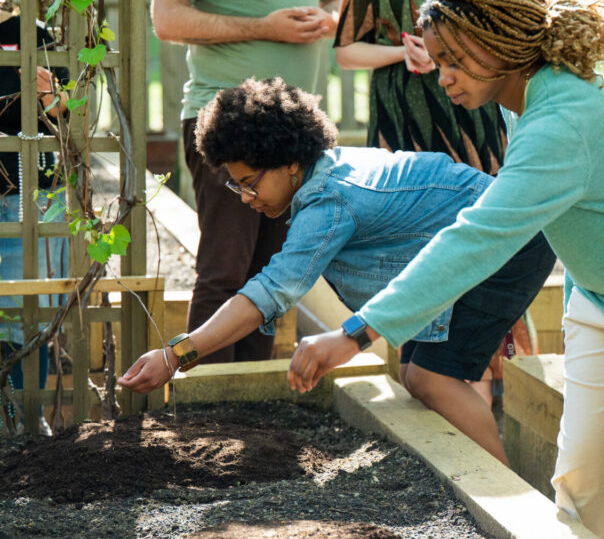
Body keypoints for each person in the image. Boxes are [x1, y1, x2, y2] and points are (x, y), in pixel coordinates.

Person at [293, 0, 604, 539]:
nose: (445, 78)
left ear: (502, 43)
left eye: (457, 61)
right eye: (440, 62)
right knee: (583, 485)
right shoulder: (531, 95)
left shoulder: (563, 117)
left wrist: (357, 330)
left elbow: (479, 236)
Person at [119, 77, 556, 465]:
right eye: (237, 185)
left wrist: (175, 355)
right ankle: (469, 473)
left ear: (290, 161)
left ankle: (505, 492)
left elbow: (270, 291)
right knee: (412, 373)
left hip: (508, 244)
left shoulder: (328, 200)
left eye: (250, 182)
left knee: (432, 378)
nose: (245, 197)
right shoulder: (324, 172)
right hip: (484, 244)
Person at [333, 0, 532, 401]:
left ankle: (493, 379)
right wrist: (402, 51)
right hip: (403, 126)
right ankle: (419, 380)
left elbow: (528, 29)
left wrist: (463, 53)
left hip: (475, 121)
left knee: (488, 242)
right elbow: (346, 50)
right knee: (411, 249)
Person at [151, 0, 344, 364]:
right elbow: (166, 19)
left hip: (295, 133)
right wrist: (264, 27)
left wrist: (326, 20)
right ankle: (206, 405)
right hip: (227, 127)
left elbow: (337, 1)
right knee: (226, 271)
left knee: (273, 279)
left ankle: (251, 406)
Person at [0, 0, 70, 399]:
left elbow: (63, 114)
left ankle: (27, 424)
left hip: (28, 194)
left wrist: (46, 94)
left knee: (27, 322)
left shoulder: (32, 33)